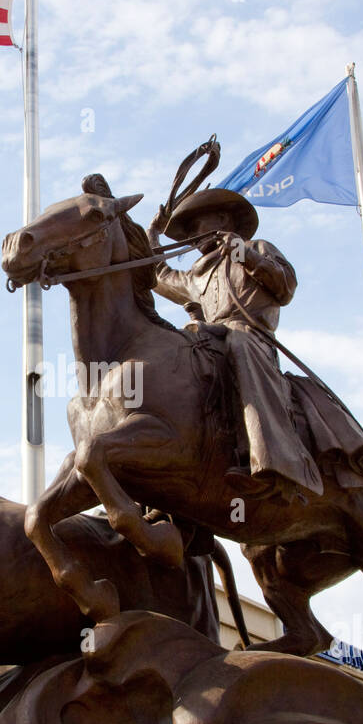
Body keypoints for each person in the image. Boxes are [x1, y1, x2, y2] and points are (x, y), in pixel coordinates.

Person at [148, 184, 324, 504]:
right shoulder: (196, 276)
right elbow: (158, 273)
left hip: (251, 338)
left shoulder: (258, 247)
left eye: (195, 225)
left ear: (222, 219)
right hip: (210, 335)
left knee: (239, 345)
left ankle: (273, 464)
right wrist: (153, 233)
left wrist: (245, 255)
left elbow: (285, 287)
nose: (191, 234)